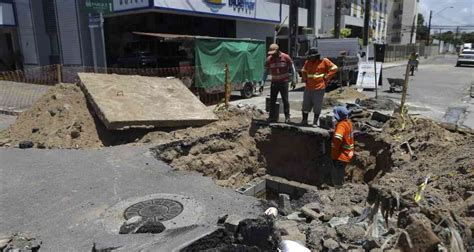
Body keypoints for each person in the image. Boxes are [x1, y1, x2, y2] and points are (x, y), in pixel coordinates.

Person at [300, 48, 338, 125]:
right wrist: (305, 79)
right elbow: (303, 70)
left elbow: (334, 68)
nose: (310, 58)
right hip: (308, 87)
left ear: (316, 56)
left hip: (319, 88)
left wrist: (327, 76)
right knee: (306, 105)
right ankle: (304, 121)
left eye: (311, 56)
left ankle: (314, 122)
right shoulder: (308, 62)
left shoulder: (324, 61)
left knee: (317, 106)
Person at [262, 43, 297, 123]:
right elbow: (265, 72)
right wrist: (262, 83)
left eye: (273, 53)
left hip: (283, 82)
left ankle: (287, 117)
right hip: (274, 83)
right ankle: (271, 117)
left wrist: (294, 80)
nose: (272, 55)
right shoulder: (269, 59)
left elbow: (293, 68)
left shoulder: (286, 57)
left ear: (278, 51)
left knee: (285, 100)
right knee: (272, 100)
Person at [331, 106, 354, 186]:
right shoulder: (348, 123)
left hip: (341, 155)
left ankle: (338, 188)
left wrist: (334, 153)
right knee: (342, 172)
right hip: (348, 153)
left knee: (338, 174)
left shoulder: (341, 125)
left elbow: (338, 138)